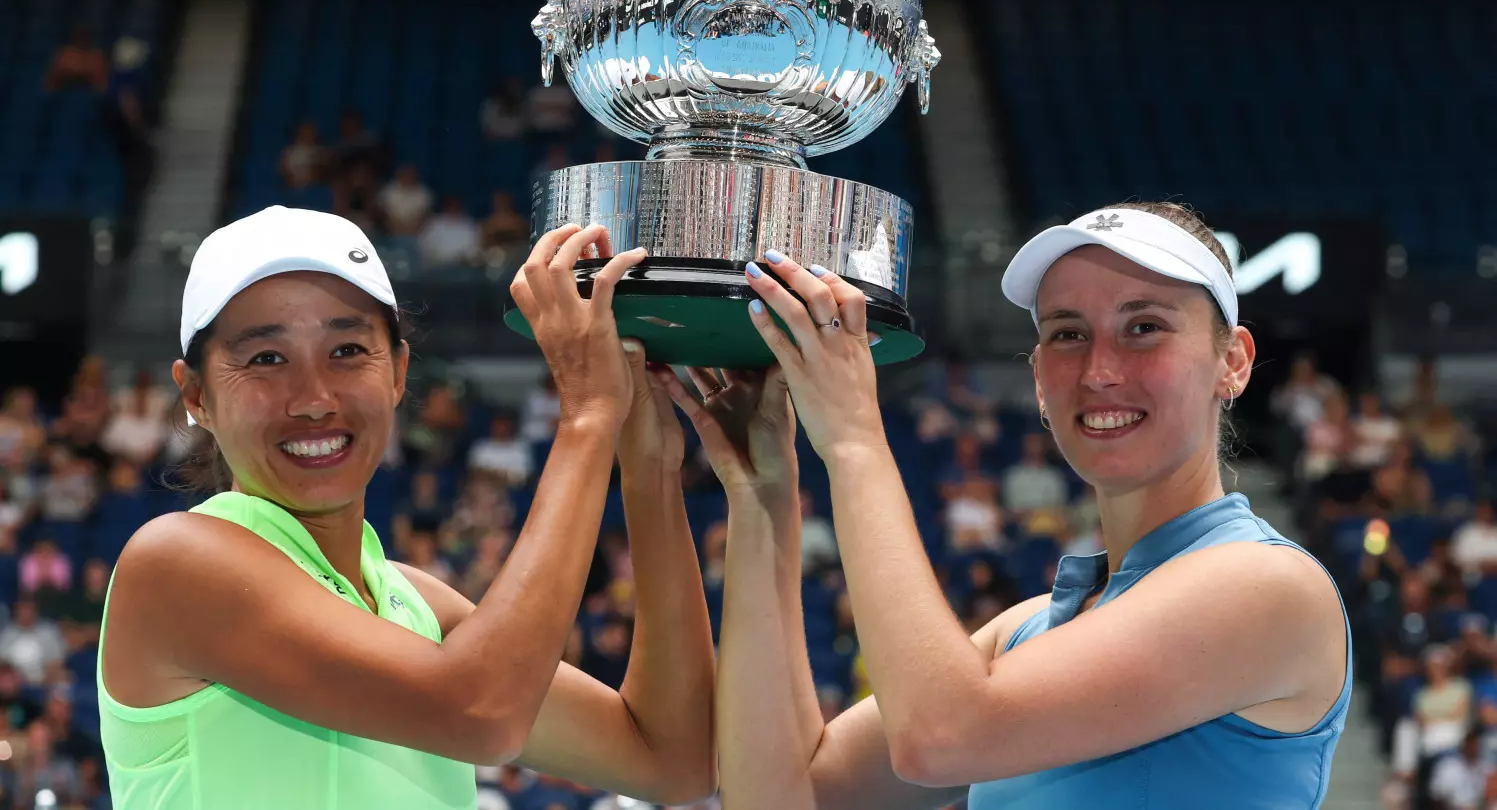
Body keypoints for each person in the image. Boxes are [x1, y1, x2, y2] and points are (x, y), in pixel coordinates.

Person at [669, 203, 1350, 808]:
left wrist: (852, 439)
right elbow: (784, 796)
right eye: (1067, 333)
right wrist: (760, 498)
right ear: (1037, 379)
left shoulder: (1269, 586)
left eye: (1143, 326)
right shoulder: (1027, 631)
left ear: (1233, 361)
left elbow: (940, 737)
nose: (1099, 370)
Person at [97, 206, 715, 808]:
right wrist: (587, 417)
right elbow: (482, 716)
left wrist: (651, 467)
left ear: (397, 372)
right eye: (267, 359)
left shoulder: (418, 605)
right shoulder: (175, 562)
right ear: (196, 395)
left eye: (346, 351)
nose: (315, 399)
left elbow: (672, 762)